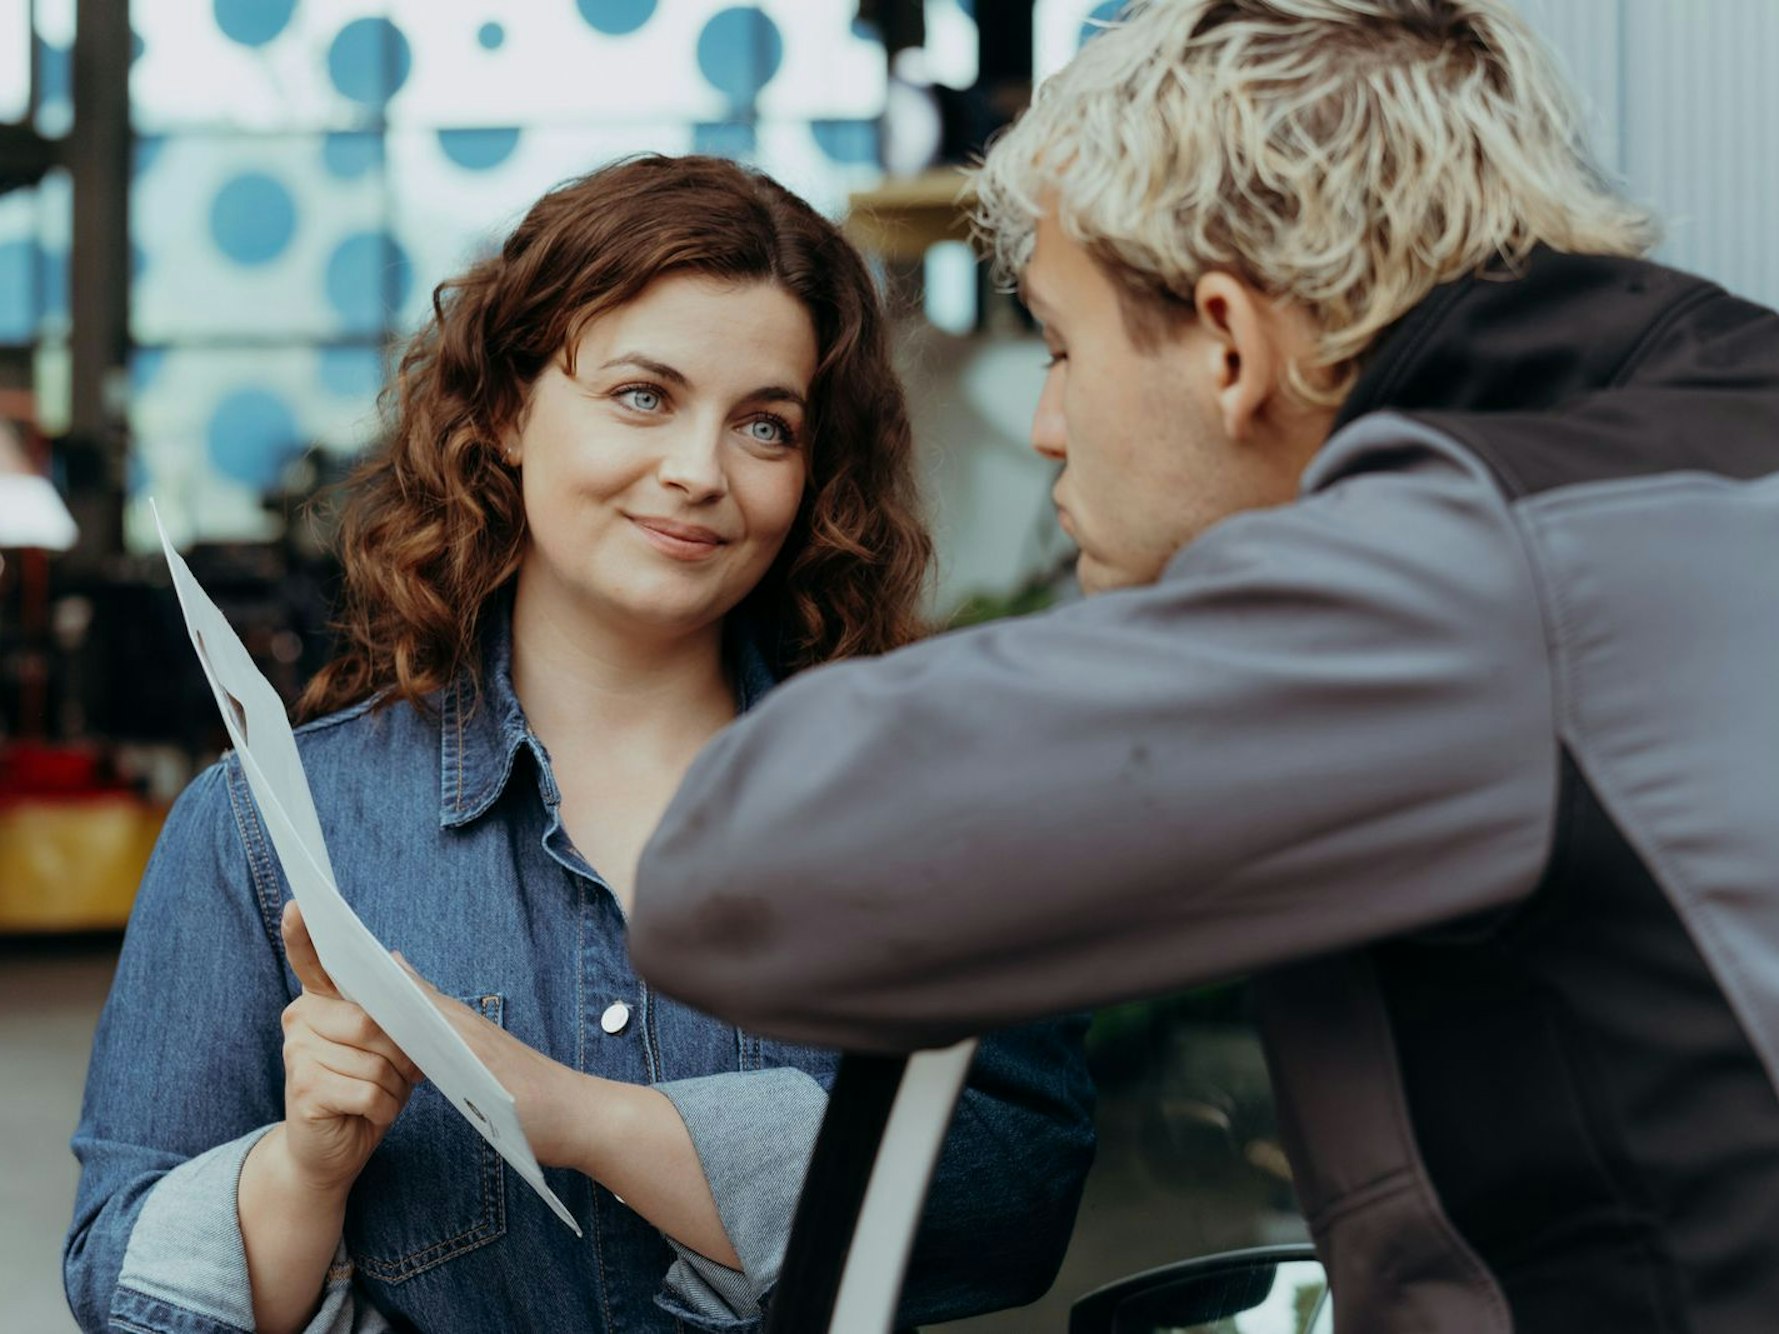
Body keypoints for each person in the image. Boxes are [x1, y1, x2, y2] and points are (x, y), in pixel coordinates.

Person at [630, 4, 1779, 1332]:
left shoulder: (1469, 574)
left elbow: (741, 869)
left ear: (1228, 344)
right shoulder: (1700, 436)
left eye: (1061, 345)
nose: (1050, 424)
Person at [64, 154, 1095, 1334]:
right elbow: (121, 1277)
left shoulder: (919, 806)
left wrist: (575, 1114)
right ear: (506, 410)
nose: (699, 473)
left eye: (765, 425)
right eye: (643, 396)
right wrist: (305, 1166)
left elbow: (1013, 1193)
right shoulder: (265, 830)